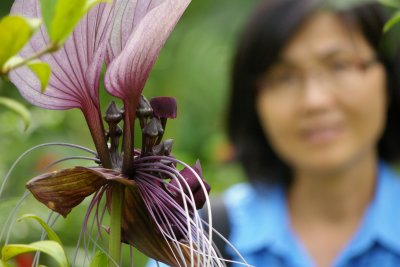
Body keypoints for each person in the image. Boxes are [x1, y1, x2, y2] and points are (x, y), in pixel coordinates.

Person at [223, 0, 400, 266]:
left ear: (388, 77)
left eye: (339, 65)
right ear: (254, 100)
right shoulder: (196, 237)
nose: (314, 101)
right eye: (284, 77)